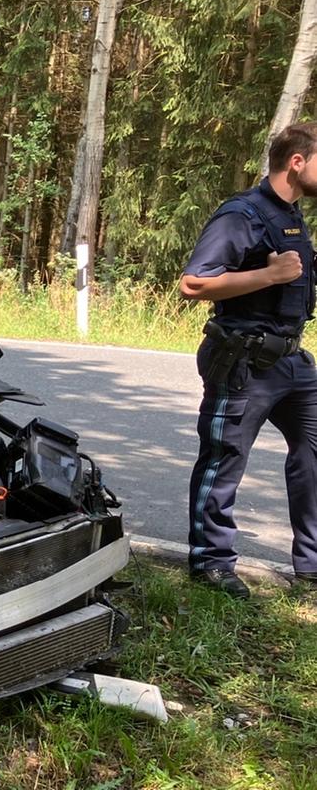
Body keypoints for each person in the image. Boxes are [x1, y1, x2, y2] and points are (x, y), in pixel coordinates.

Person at [180, 122, 317, 598]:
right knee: (225, 459)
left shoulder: (291, 216)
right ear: (297, 162)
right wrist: (269, 274)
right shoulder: (242, 214)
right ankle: (211, 563)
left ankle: (312, 563)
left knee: (313, 453)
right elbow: (193, 284)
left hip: (293, 362)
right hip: (243, 361)